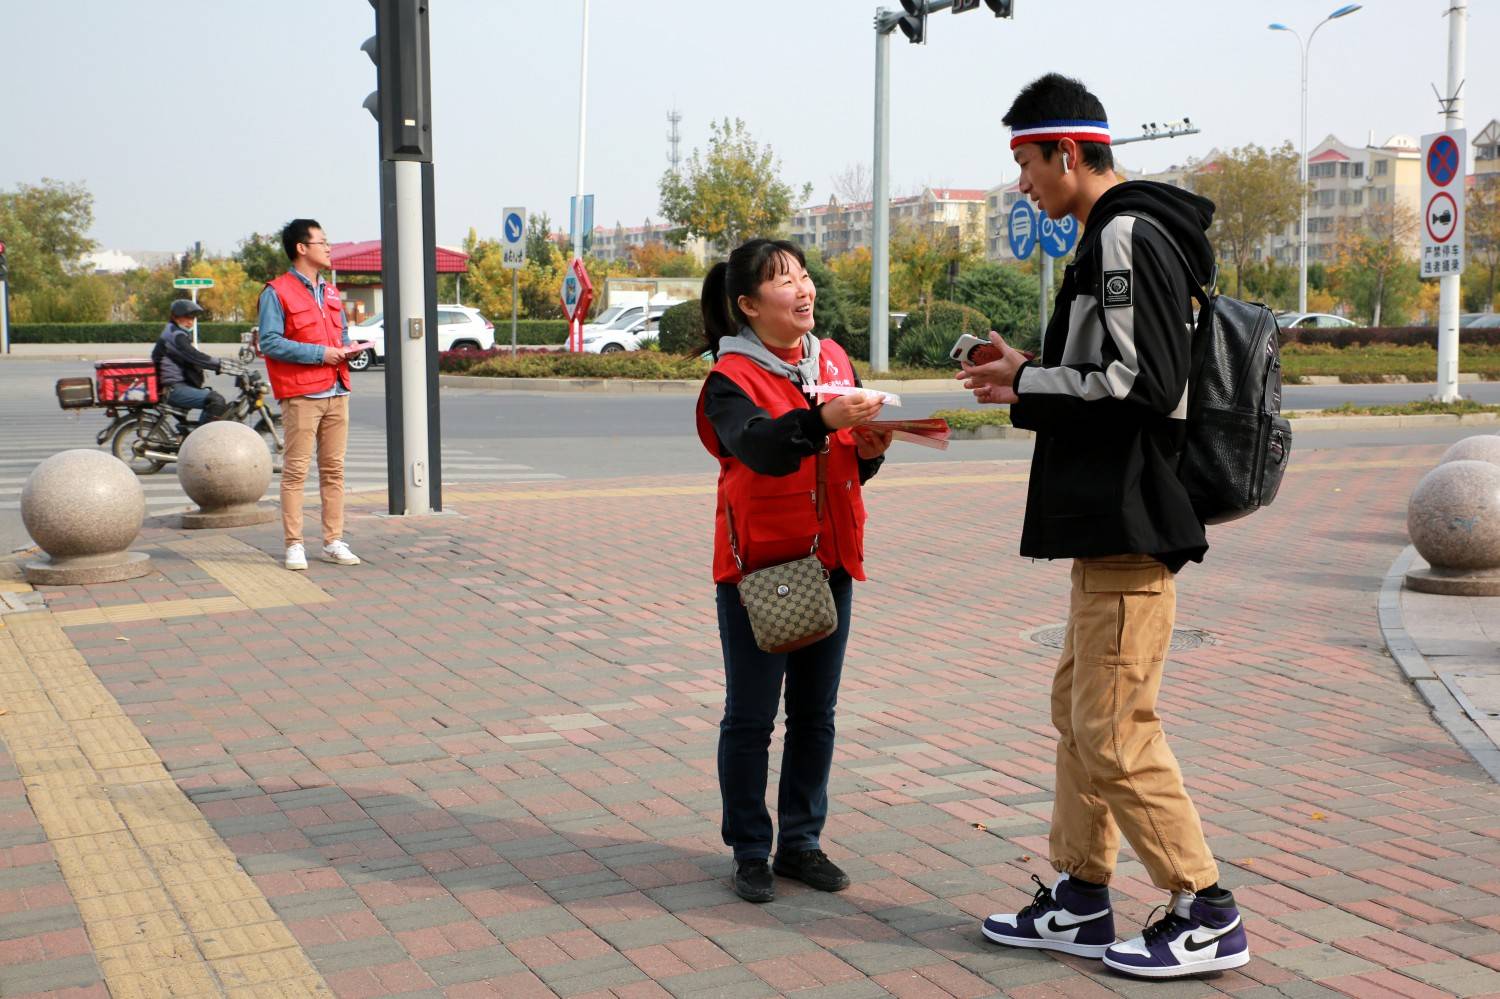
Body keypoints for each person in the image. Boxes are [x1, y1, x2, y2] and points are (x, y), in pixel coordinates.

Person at [962, 74, 1250, 979]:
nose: (1023, 184)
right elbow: (1110, 367)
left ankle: (1206, 907)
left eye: (1027, 162)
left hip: (1130, 524)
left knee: (1115, 726)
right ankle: (1083, 895)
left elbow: (1145, 386)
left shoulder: (1126, 232)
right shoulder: (1112, 234)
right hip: (1105, 528)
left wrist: (1025, 385)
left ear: (1070, 152)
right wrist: (1033, 366)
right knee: (1077, 713)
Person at [695, 238, 893, 904]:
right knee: (751, 719)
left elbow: (845, 464)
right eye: (784, 282)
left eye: (805, 275)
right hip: (763, 571)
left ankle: (800, 842)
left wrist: (869, 447)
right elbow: (759, 447)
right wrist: (820, 419)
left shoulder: (832, 357)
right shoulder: (729, 379)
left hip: (831, 558)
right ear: (749, 304)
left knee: (816, 714)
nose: (803, 289)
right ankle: (750, 848)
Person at [257, 218, 360, 572]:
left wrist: (348, 350)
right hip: (302, 394)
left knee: (334, 470)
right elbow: (269, 342)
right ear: (302, 248)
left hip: (337, 389)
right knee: (296, 471)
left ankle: (333, 540)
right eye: (323, 241)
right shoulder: (277, 291)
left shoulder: (330, 292)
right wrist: (320, 354)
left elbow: (341, 335)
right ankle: (294, 544)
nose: (329, 248)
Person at [152, 299, 227, 426]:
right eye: (186, 318)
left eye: (192, 318)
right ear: (175, 317)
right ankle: (201, 439)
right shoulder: (176, 335)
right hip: (173, 389)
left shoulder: (173, 331)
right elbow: (195, 356)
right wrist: (221, 364)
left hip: (174, 385)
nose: (190, 322)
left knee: (211, 397)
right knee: (216, 401)